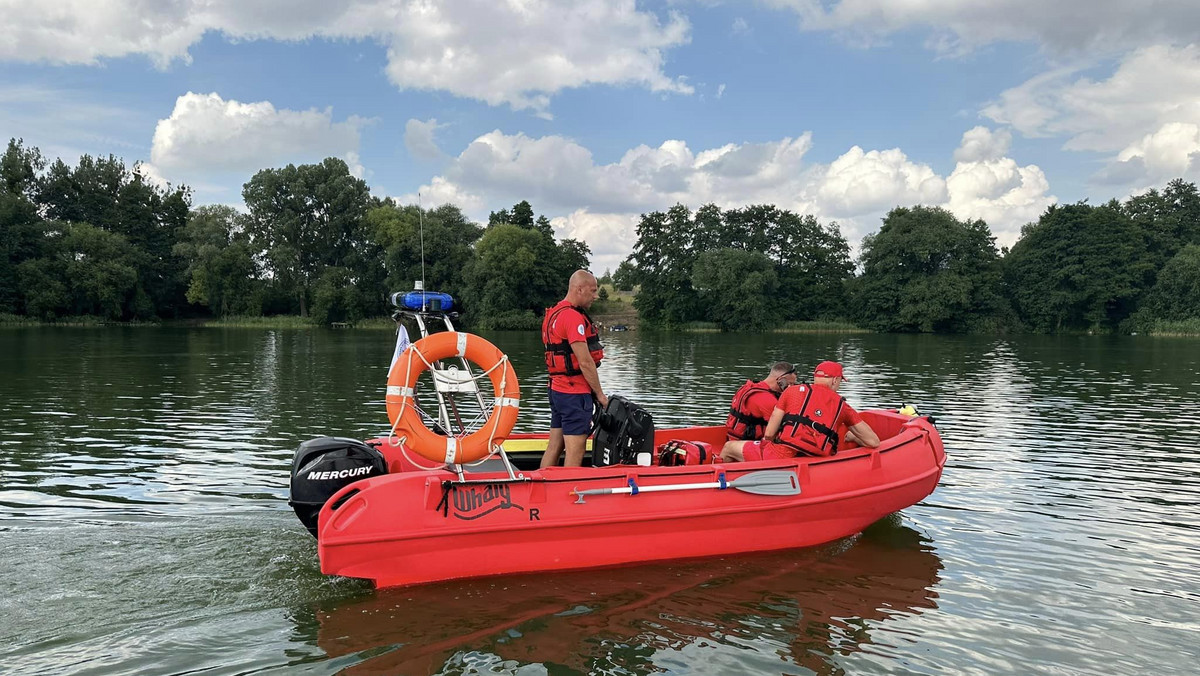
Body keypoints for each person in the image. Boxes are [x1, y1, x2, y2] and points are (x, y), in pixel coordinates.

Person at [719, 360, 879, 462]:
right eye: (840, 381)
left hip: (780, 454)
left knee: (728, 447)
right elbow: (873, 442)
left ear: (815, 376)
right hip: (814, 457)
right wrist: (854, 436)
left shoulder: (790, 392)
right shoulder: (842, 406)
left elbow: (769, 434)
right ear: (835, 380)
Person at [540, 270, 608, 468]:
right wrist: (600, 395)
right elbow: (585, 361)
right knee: (575, 451)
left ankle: (539, 491)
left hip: (557, 390)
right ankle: (569, 494)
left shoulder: (554, 313)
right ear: (579, 289)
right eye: (593, 291)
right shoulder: (572, 317)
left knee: (554, 446)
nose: (595, 296)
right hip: (573, 392)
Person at [726, 361, 797, 441]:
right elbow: (779, 429)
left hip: (732, 438)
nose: (791, 387)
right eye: (790, 383)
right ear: (781, 380)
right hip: (747, 443)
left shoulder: (747, 387)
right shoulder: (767, 399)